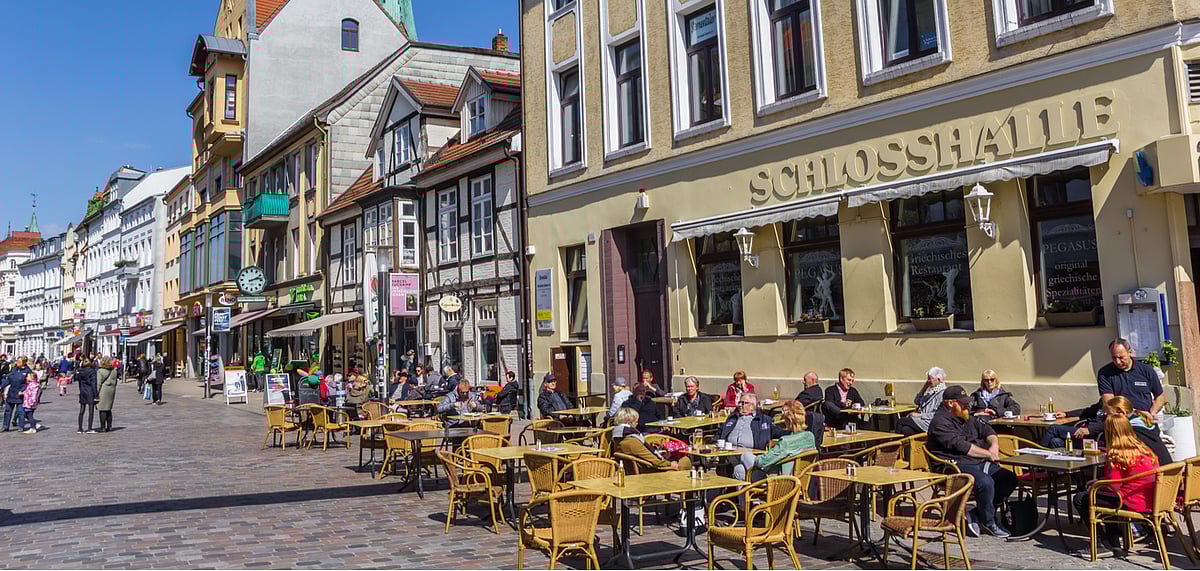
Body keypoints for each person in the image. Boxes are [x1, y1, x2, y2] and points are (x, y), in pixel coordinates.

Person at [927, 385, 1017, 538]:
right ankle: (989, 522)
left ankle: (979, 514)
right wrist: (988, 454)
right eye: (962, 403)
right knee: (985, 482)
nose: (967, 405)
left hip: (976, 462)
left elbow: (988, 431)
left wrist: (994, 445)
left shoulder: (965, 416)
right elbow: (963, 447)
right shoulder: (940, 423)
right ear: (950, 403)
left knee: (1008, 478)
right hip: (951, 466)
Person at [1072, 408, 1160, 557]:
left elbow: (1113, 486)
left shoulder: (1118, 454)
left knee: (1082, 498)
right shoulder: (1143, 448)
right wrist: (1099, 482)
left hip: (1132, 500)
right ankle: (1113, 543)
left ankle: (1101, 542)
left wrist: (1095, 484)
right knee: (1103, 496)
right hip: (1149, 497)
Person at [718, 392, 788, 480]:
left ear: (752, 405)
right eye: (740, 402)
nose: (740, 405)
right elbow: (719, 433)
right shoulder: (732, 418)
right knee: (739, 469)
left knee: (741, 465)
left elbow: (778, 432)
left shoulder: (763, 420)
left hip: (752, 457)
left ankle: (763, 478)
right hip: (730, 455)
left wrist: (793, 431)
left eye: (743, 403)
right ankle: (764, 480)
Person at [611, 407, 691, 472]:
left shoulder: (618, 437)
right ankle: (688, 490)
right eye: (636, 421)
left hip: (638, 468)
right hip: (651, 471)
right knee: (685, 460)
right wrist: (670, 464)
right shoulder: (631, 441)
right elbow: (655, 461)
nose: (637, 423)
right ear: (630, 422)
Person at [1098, 338, 1166, 414]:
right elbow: (1109, 404)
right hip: (1121, 418)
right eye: (1114, 358)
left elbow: (1160, 397)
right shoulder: (1105, 373)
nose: (1118, 362)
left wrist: (1151, 414)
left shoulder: (1146, 370)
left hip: (1146, 418)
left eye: (1121, 357)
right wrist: (1134, 414)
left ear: (1130, 352)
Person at [751, 401, 816, 479]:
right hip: (799, 479)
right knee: (740, 469)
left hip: (779, 482)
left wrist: (757, 458)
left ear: (788, 420)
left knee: (745, 458)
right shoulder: (810, 437)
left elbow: (762, 462)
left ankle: (748, 490)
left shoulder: (786, 442)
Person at [897, 367, 948, 435]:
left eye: (930, 379)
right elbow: (916, 401)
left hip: (929, 423)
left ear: (938, 379)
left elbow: (936, 414)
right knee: (905, 430)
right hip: (922, 421)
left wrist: (920, 415)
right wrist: (924, 387)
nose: (928, 381)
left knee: (901, 421)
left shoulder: (942, 393)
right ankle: (907, 445)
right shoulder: (932, 391)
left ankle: (894, 444)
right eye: (928, 379)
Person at [2, 356, 32, 431]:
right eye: (17, 361)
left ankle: (21, 426)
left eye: (19, 362)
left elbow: (28, 383)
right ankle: (5, 426)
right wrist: (1, 386)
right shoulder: (14, 369)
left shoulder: (27, 371)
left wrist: (22, 390)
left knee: (20, 411)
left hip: (20, 394)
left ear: (24, 362)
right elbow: (8, 380)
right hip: (11, 393)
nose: (17, 363)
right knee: (7, 411)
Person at [76, 359, 98, 434]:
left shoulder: (80, 371)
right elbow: (93, 384)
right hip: (90, 392)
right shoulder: (92, 371)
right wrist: (96, 395)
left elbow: (78, 380)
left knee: (82, 410)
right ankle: (89, 428)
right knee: (91, 411)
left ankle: (80, 428)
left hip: (82, 391)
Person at [96, 358, 118, 432]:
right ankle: (109, 426)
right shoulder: (114, 371)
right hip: (111, 390)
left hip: (103, 390)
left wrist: (96, 393)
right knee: (108, 408)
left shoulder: (100, 371)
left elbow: (98, 383)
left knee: (102, 409)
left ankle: (103, 427)